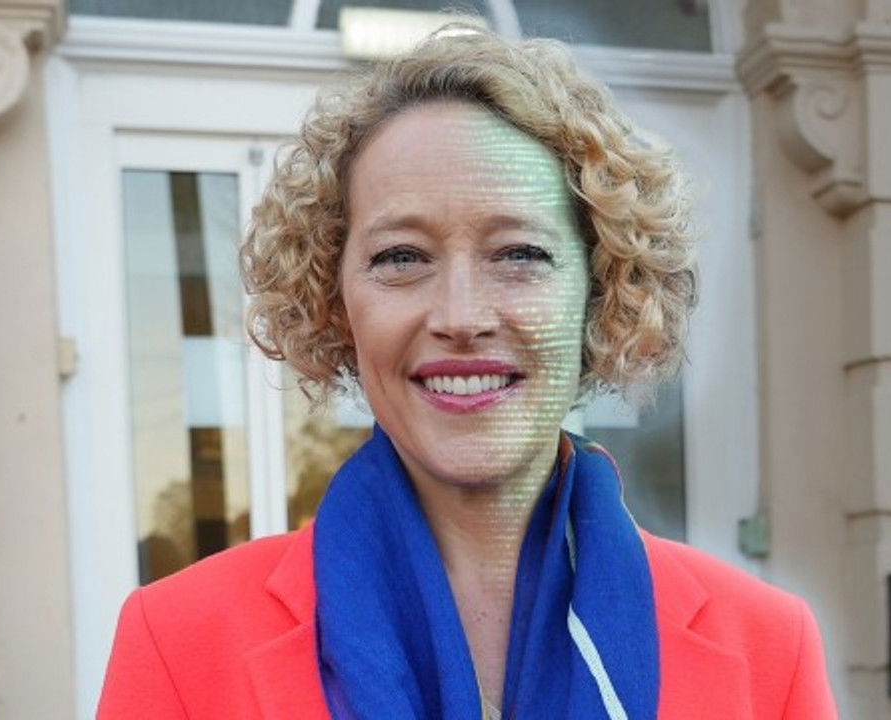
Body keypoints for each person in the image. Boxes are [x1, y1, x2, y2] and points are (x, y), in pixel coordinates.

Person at [98, 27, 837, 720]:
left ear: (603, 289)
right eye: (401, 257)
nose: (461, 316)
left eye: (519, 254)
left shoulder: (768, 648)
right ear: (333, 300)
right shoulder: (178, 641)